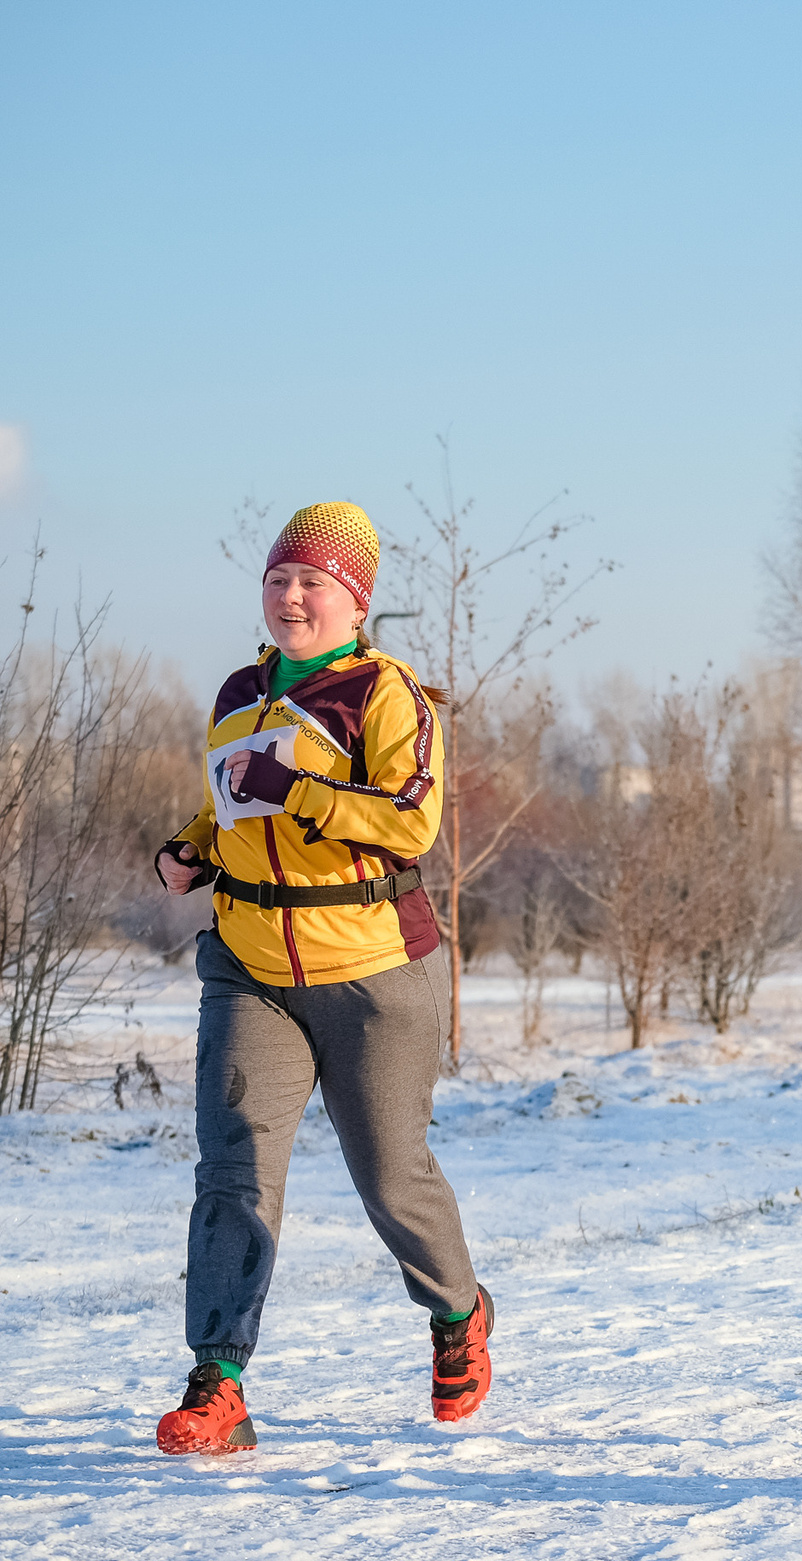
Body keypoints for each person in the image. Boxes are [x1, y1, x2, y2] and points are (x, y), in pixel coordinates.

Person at [152, 502, 493, 1455]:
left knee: (389, 1174)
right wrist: (189, 848)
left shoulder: (388, 695)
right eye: (278, 578)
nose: (291, 595)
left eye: (313, 582)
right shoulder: (237, 691)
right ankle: (217, 1381)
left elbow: (409, 822)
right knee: (233, 1171)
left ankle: (458, 1313)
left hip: (374, 968)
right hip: (250, 963)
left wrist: (291, 791)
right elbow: (228, 805)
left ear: (356, 602)